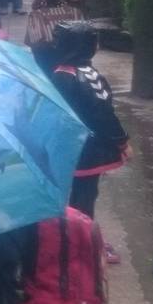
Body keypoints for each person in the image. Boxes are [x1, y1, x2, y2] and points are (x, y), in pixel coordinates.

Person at [32, 21, 128, 263]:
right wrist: (122, 142)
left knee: (70, 196)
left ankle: (70, 239)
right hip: (87, 151)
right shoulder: (87, 76)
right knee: (84, 197)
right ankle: (84, 244)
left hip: (64, 148)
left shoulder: (57, 73)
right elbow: (103, 114)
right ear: (89, 46)